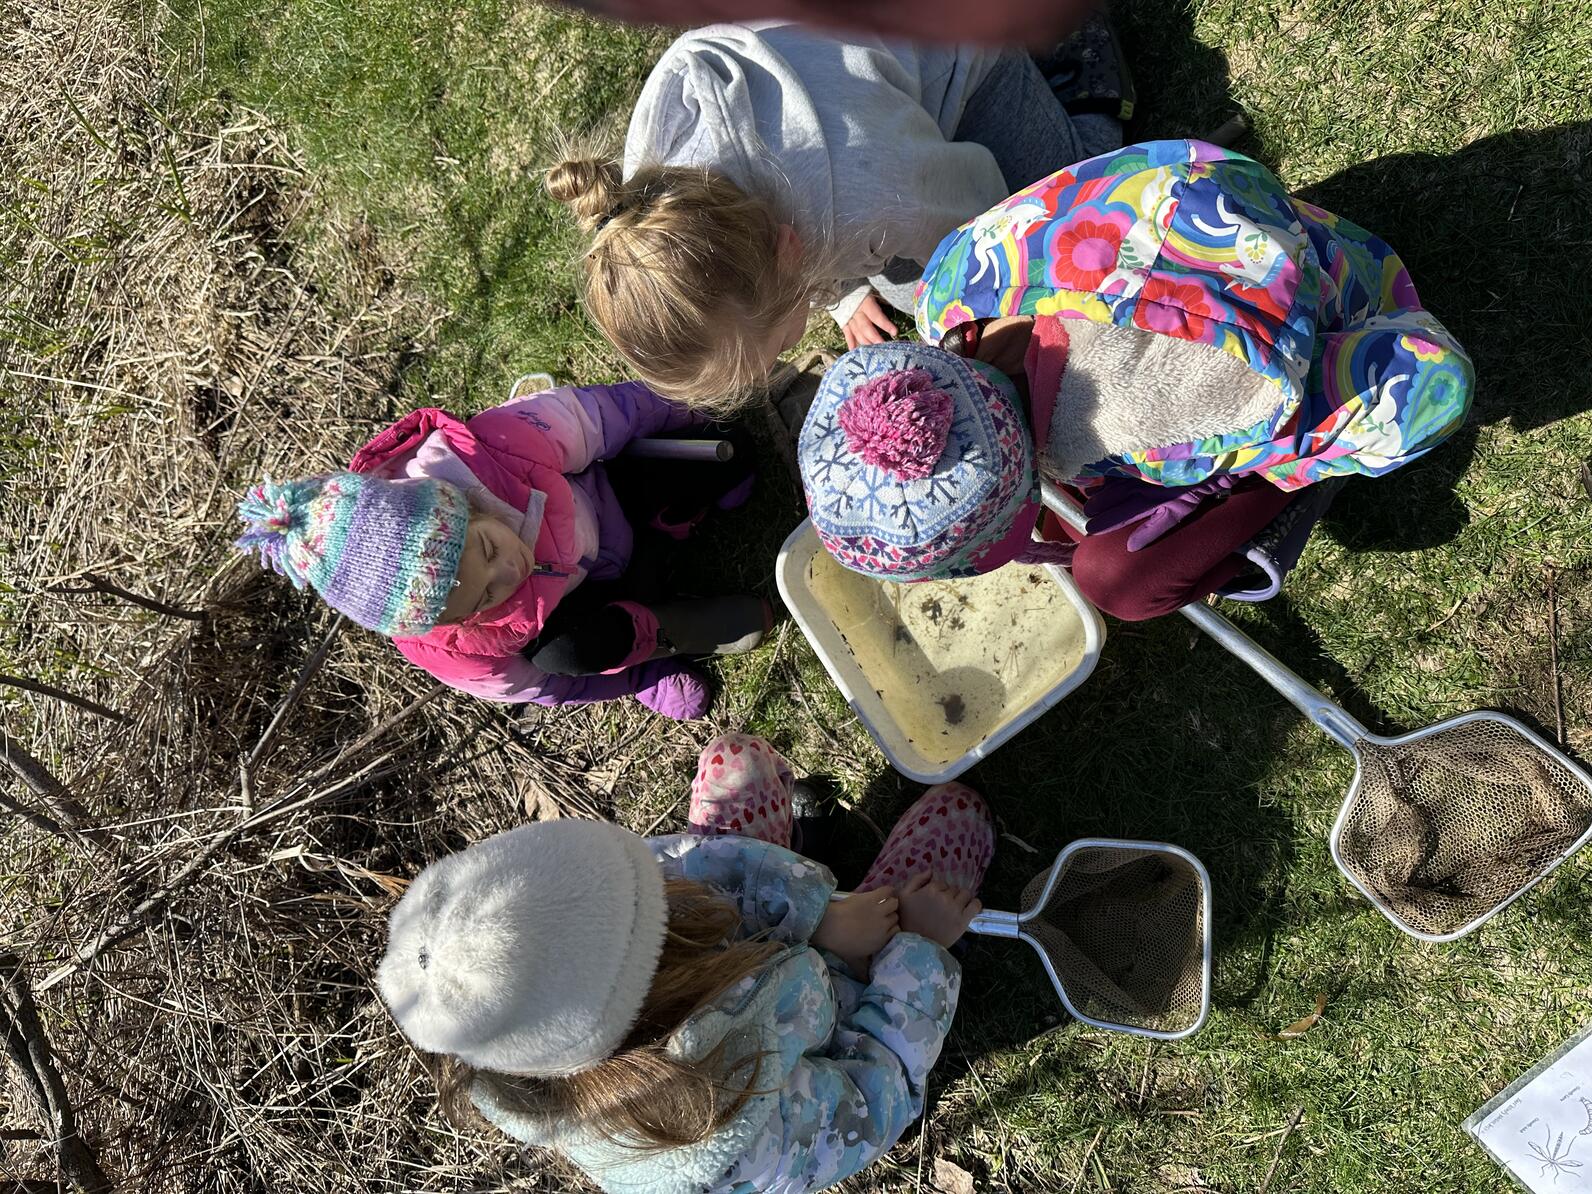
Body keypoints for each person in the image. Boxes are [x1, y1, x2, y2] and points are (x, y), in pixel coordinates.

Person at [797, 142, 1472, 615]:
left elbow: (1414, 385)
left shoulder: (1148, 414)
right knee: (1094, 545)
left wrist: (1281, 465)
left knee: (1116, 575)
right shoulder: (947, 293)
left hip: (1344, 294)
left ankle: (1302, 477)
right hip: (1220, 232)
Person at [377, 732, 994, 1192]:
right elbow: (875, 1092)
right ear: (655, 985)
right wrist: (919, 950)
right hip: (845, 1011)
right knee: (959, 813)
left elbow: (685, 865)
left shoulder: (583, 910)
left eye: (639, 886)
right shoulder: (728, 1141)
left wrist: (813, 911)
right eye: (650, 908)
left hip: (773, 944)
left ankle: (811, 858)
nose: (656, 881)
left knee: (736, 763)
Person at [548, 19, 1126, 409]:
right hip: (854, 103)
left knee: (1077, 218)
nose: (780, 359)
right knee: (913, 298)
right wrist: (846, 295)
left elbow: (986, 207)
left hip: (956, 50)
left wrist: (998, 302)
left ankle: (1082, 58)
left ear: (790, 250)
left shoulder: (868, 194)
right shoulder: (651, 204)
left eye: (777, 349)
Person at [235, 380, 769, 719]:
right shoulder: (453, 653)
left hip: (614, 500)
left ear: (460, 504)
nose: (508, 571)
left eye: (487, 548)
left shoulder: (500, 446)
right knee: (566, 653)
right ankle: (657, 639)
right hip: (603, 601)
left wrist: (688, 407)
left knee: (728, 450)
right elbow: (549, 688)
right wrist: (635, 678)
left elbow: (604, 415)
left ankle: (674, 517)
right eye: (483, 597)